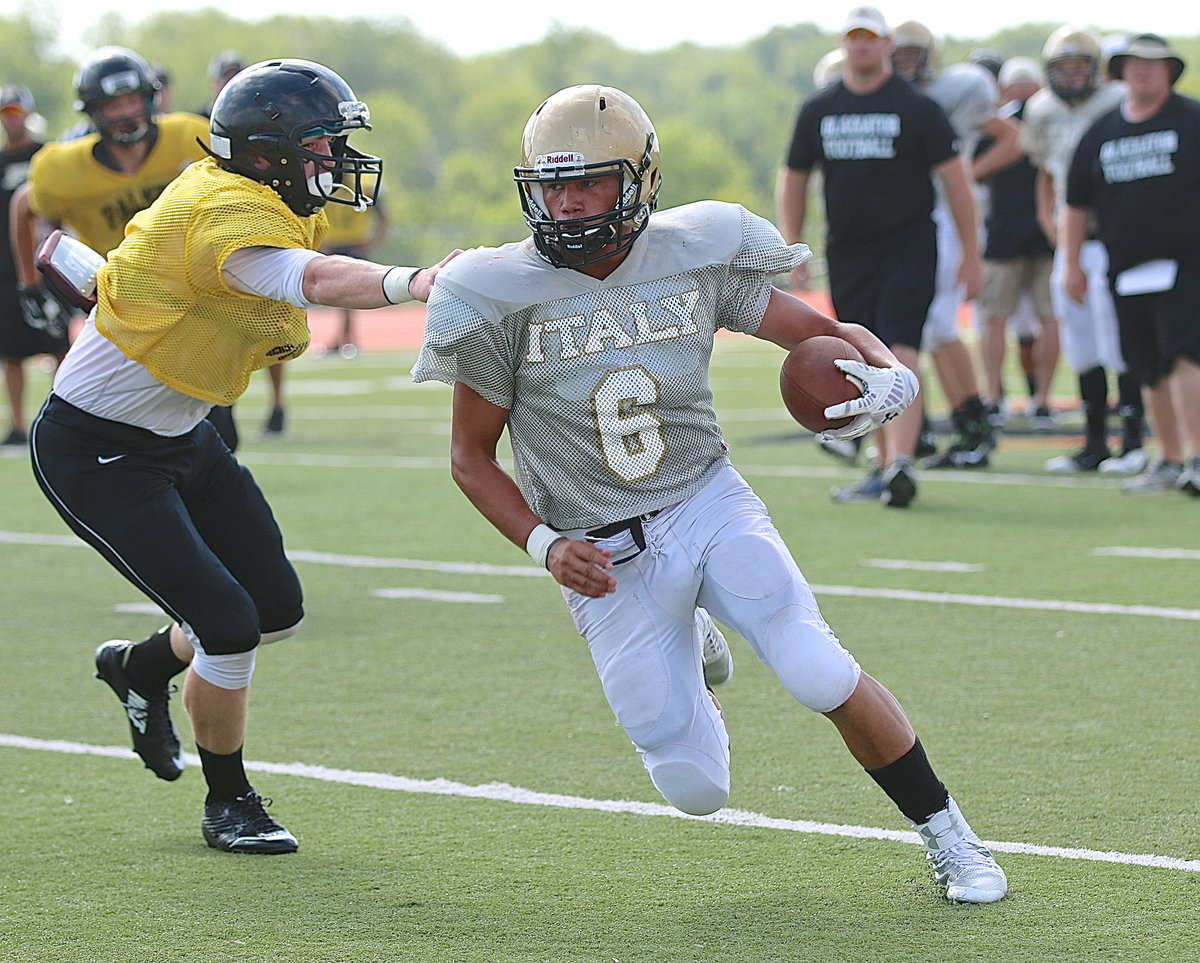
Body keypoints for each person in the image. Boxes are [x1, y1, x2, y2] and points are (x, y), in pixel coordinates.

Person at [414, 81, 1007, 904]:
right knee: (695, 786)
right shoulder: (494, 290)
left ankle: (949, 833)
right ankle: (688, 628)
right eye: (554, 185)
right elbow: (470, 457)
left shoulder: (692, 251)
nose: (569, 202)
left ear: (641, 180)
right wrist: (545, 546)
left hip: (704, 499)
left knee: (816, 669)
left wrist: (887, 373)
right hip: (600, 549)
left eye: (591, 181)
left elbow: (818, 334)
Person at [29, 58, 456, 853]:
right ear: (268, 153)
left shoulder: (257, 194)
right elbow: (307, 277)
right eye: (322, 143)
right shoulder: (226, 211)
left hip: (181, 433)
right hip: (97, 447)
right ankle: (228, 800)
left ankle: (140, 665)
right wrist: (417, 280)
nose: (336, 159)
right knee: (227, 625)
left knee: (275, 611)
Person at [777, 7, 978, 506]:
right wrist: (791, 244)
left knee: (900, 344)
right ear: (843, 43)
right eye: (854, 36)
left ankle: (899, 460)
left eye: (871, 36)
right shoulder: (820, 107)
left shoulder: (916, 106)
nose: (862, 44)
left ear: (887, 44)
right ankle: (884, 464)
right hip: (848, 248)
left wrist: (972, 254)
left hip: (909, 243)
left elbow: (957, 182)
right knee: (859, 352)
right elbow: (795, 178)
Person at [8, 46, 243, 450]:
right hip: (119, 306)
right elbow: (22, 205)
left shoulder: (190, 136)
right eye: (112, 105)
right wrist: (28, 285)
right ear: (93, 111)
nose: (125, 113)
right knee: (116, 422)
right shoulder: (64, 167)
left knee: (214, 428)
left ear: (150, 99)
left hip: (195, 299)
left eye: (132, 100)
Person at [1064, 34, 1200, 496]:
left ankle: (1197, 457)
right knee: (1149, 366)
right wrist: (1071, 263)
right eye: (1133, 64)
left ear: (1169, 71)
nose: (1142, 71)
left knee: (1186, 354)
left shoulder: (1191, 120)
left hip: (1187, 262)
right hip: (1125, 266)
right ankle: (1170, 459)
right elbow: (1076, 203)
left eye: (1153, 64)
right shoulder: (1102, 130)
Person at [889, 20, 1022, 470]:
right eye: (898, 57)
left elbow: (1014, 137)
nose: (906, 66)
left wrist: (966, 175)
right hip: (909, 218)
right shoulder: (889, 98)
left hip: (942, 216)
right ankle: (961, 427)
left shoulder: (950, 91)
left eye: (913, 56)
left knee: (937, 328)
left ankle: (971, 427)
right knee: (931, 331)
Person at [1022, 26, 1147, 475]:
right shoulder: (1041, 108)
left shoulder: (1117, 101)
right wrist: (1049, 222)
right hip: (1070, 242)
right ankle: (1095, 441)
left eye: (1080, 67)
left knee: (1120, 343)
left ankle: (1133, 440)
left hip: (1111, 239)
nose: (1072, 76)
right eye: (1064, 67)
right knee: (1082, 344)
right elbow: (1044, 171)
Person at [975, 57, 1060, 426]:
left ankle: (994, 396)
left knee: (996, 318)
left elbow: (974, 176)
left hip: (1006, 232)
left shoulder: (997, 126)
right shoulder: (1050, 122)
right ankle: (1041, 399)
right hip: (1043, 232)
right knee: (1047, 316)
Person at [0, 84, 63, 448]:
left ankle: (64, 420)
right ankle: (17, 425)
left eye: (16, 112)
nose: (11, 120)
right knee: (11, 351)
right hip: (6, 270)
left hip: (46, 265)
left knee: (58, 345)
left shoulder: (46, 157)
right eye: (5, 114)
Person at [318, 182, 389, 357]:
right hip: (335, 246)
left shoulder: (363, 189)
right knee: (338, 296)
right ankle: (344, 339)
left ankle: (347, 340)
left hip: (352, 245)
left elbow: (384, 218)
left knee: (345, 296)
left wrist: (372, 243)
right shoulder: (326, 189)